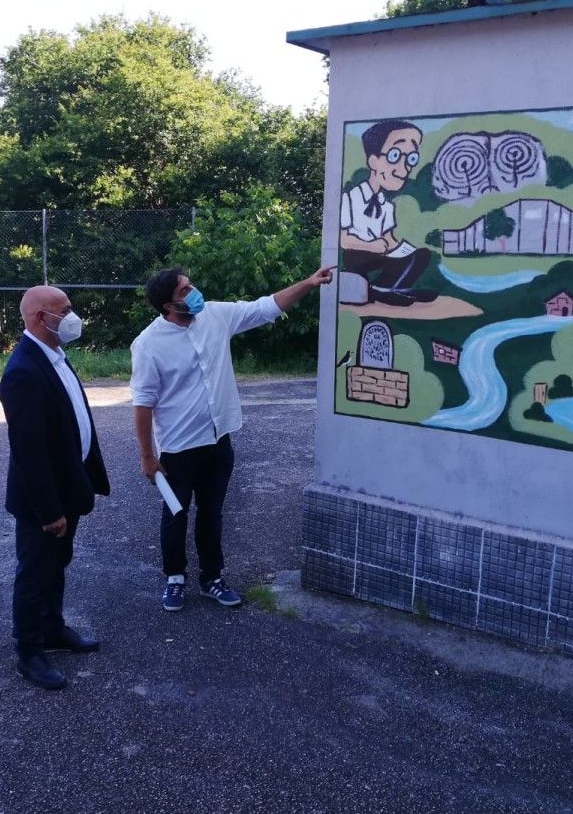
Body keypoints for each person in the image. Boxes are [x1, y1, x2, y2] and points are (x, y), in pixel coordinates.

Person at [131, 264, 334, 611]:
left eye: (191, 285)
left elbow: (265, 306)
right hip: (177, 449)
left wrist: (309, 282)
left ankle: (212, 578)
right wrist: (148, 456)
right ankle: (175, 579)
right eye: (184, 290)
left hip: (218, 441)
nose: (194, 292)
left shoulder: (215, 315)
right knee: (176, 514)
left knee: (212, 513)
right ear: (167, 305)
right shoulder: (149, 344)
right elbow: (143, 403)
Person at [0, 285, 110, 691]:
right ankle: (29, 651)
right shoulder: (23, 372)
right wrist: (50, 511)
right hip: (43, 500)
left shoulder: (55, 356)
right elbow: (29, 453)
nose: (72, 316)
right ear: (38, 319)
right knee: (34, 572)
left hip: (68, 486)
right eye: (63, 310)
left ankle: (52, 628)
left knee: (57, 565)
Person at [340, 119, 436, 306]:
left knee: (421, 255)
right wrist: (372, 246)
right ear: (373, 161)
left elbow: (388, 238)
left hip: (380, 254)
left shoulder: (387, 206)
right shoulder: (350, 198)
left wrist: (404, 250)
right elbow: (343, 240)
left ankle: (387, 290)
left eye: (411, 159)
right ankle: (388, 290)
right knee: (368, 259)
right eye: (395, 155)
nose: (404, 167)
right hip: (357, 255)